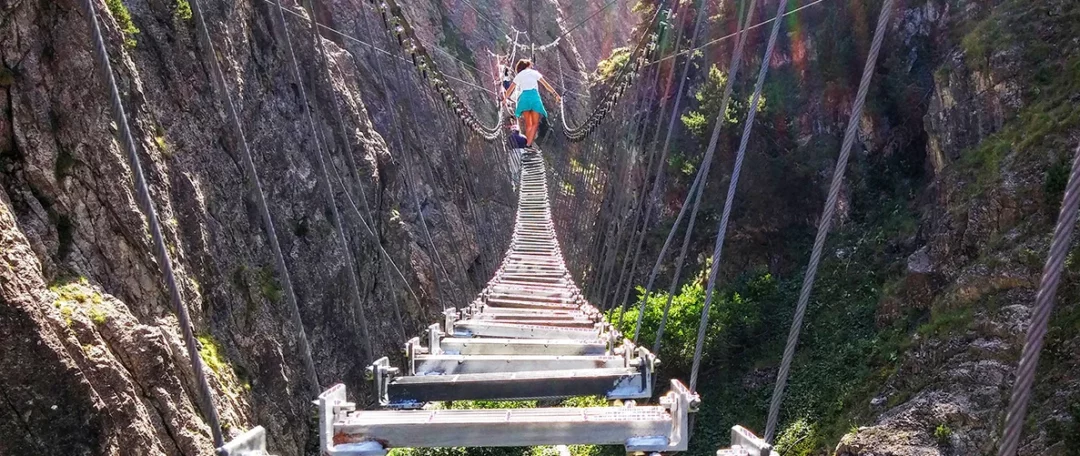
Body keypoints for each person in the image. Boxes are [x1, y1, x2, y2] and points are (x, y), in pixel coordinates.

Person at [503, 59, 561, 148]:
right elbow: (546, 85)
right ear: (527, 65)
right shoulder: (534, 73)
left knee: (529, 123)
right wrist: (556, 95)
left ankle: (527, 144)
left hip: (524, 98)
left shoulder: (519, 75)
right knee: (535, 123)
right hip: (534, 98)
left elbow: (510, 89)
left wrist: (504, 100)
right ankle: (528, 144)